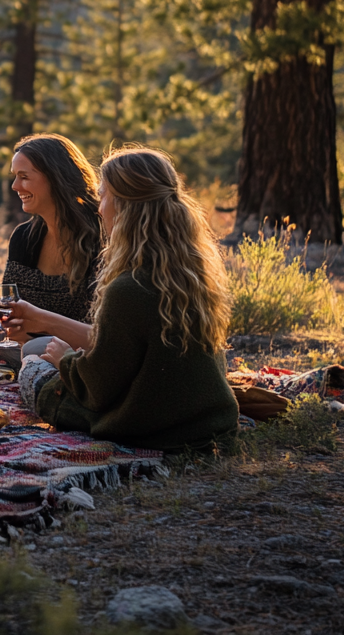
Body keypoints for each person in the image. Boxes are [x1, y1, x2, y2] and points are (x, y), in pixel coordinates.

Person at [19, 147, 239, 454]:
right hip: (208, 419)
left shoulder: (128, 287)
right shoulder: (194, 271)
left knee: (30, 368)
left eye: (104, 196)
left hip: (151, 427)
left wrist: (66, 360)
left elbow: (97, 390)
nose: (99, 207)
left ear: (125, 207)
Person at [0, 133, 103, 370]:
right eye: (15, 177)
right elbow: (8, 305)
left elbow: (104, 330)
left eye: (24, 177)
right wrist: (12, 326)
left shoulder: (101, 235)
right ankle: (29, 361)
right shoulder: (24, 237)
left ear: (56, 178)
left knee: (38, 348)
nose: (15, 186)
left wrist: (40, 327)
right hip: (26, 342)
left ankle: (29, 362)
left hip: (76, 347)